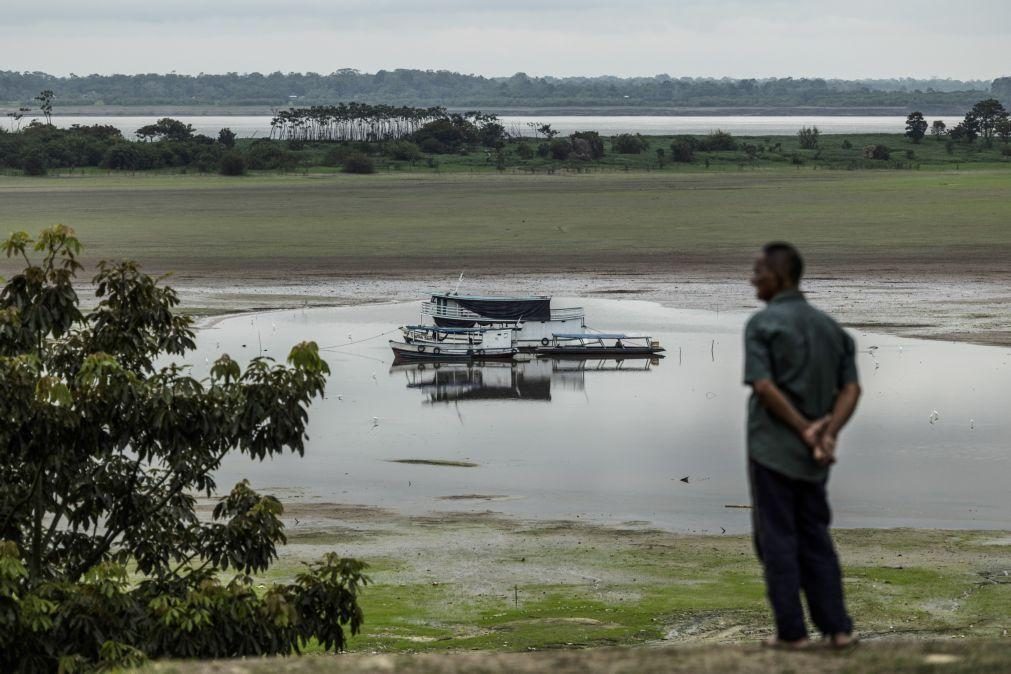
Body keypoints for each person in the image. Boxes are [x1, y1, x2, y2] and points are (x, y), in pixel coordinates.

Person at [743, 242, 861, 650]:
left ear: (779, 276)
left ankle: (792, 633)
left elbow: (763, 386)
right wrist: (827, 432)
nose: (752, 278)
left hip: (772, 452)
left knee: (775, 539)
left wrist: (804, 429)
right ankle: (838, 629)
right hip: (815, 459)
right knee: (815, 536)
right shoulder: (832, 329)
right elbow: (851, 389)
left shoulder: (762, 326)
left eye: (758, 271)